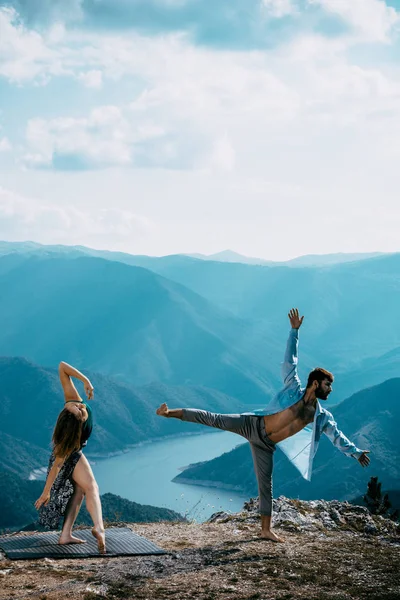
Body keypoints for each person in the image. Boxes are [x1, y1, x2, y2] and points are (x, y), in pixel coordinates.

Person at [156, 308, 370, 543]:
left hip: (265, 445)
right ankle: (168, 412)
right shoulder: (293, 389)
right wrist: (294, 332)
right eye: (328, 385)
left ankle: (266, 530)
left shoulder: (321, 416)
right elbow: (290, 362)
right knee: (213, 418)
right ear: (316, 383)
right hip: (252, 424)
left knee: (265, 487)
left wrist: (356, 452)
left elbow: (336, 436)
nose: (330, 389)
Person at [35, 361, 106, 554]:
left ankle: (65, 535)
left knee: (79, 492)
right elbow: (57, 466)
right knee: (91, 487)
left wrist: (86, 381)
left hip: (69, 455)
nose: (78, 408)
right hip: (72, 457)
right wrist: (46, 492)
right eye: (78, 410)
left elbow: (61, 366)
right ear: (80, 421)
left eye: (74, 408)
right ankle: (99, 527)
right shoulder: (70, 443)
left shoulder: (71, 403)